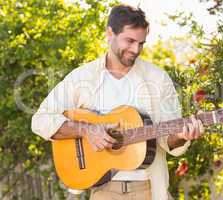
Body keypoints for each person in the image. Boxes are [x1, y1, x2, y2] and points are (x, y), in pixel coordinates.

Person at [31, 4, 204, 200]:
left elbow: (168, 141)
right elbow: (40, 120)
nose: (135, 49)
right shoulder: (82, 77)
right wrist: (86, 129)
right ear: (110, 33)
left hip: (147, 188)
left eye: (141, 43)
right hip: (103, 191)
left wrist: (181, 136)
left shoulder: (157, 78)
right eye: (129, 41)